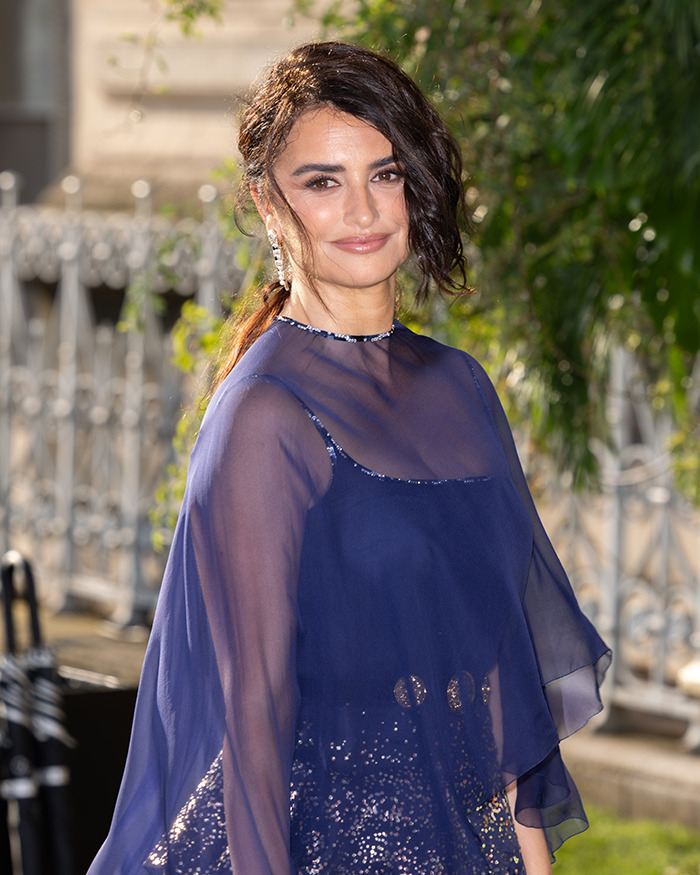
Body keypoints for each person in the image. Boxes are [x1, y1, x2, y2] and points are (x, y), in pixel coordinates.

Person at [89, 41, 610, 875]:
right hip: (308, 848)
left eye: (386, 173)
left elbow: (501, 695)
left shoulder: (461, 387)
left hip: (461, 842)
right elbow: (250, 713)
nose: (363, 210)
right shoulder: (264, 416)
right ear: (267, 201)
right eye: (321, 182)